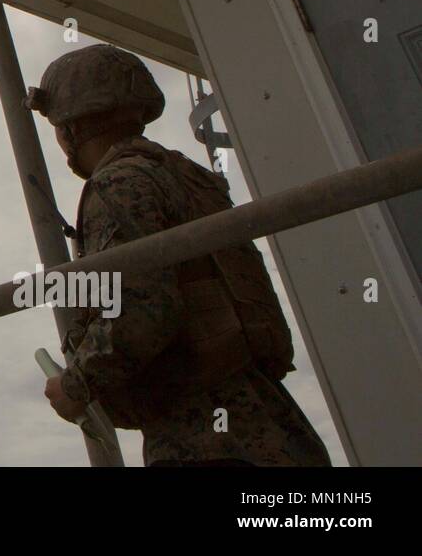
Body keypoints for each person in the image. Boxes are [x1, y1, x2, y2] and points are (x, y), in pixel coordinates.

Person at [25, 43, 331, 466]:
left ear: (72, 127)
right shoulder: (186, 175)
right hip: (268, 415)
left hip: (200, 434)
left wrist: (76, 384)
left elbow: (142, 307)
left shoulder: (117, 184)